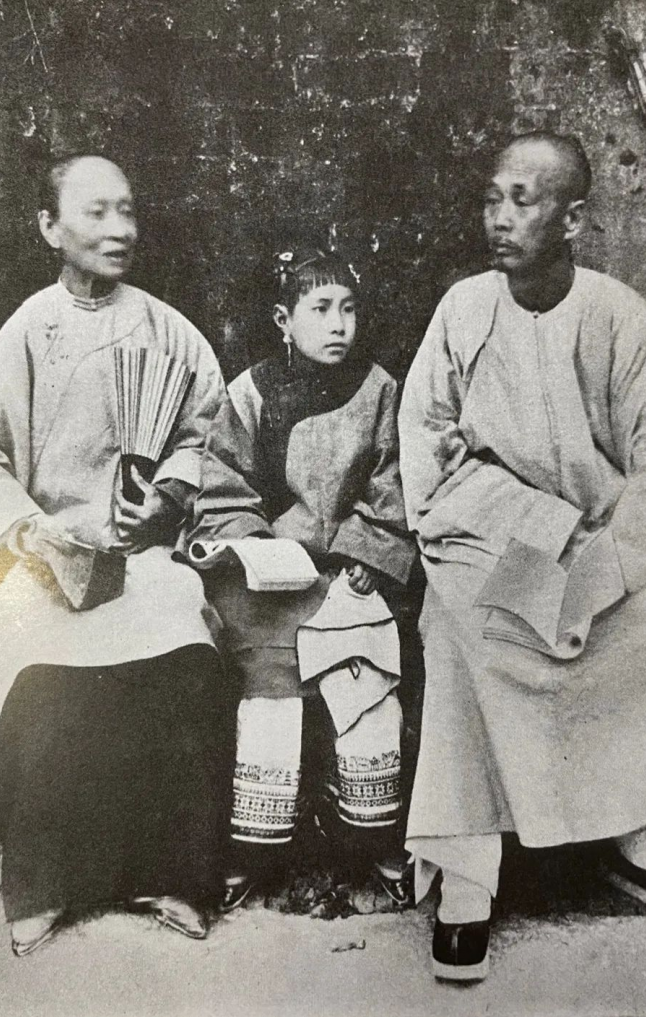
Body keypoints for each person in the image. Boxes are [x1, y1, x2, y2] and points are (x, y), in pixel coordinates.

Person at [398, 131, 646, 982]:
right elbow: (430, 452)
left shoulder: (619, 315)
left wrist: (606, 557)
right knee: (470, 633)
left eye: (523, 200)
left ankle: (634, 830)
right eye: (491, 199)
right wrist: (541, 525)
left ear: (574, 218)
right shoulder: (464, 310)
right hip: (500, 542)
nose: (499, 218)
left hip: (606, 543)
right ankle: (468, 871)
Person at [0, 154, 237, 954]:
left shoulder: (168, 330)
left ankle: (172, 873)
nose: (119, 230)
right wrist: (25, 531)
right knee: (33, 641)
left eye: (128, 211)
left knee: (180, 632)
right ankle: (46, 880)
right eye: (96, 213)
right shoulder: (27, 332)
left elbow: (208, 436)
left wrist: (170, 496)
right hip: (47, 553)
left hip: (142, 551)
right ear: (50, 227)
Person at [180, 248, 416, 910]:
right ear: (284, 320)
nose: (339, 324)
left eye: (349, 309)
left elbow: (393, 486)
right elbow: (221, 486)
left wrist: (365, 556)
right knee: (269, 700)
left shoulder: (381, 391)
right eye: (320, 309)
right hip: (270, 582)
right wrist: (258, 549)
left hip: (348, 576)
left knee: (366, 688)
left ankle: (372, 837)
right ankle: (255, 847)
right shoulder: (249, 392)